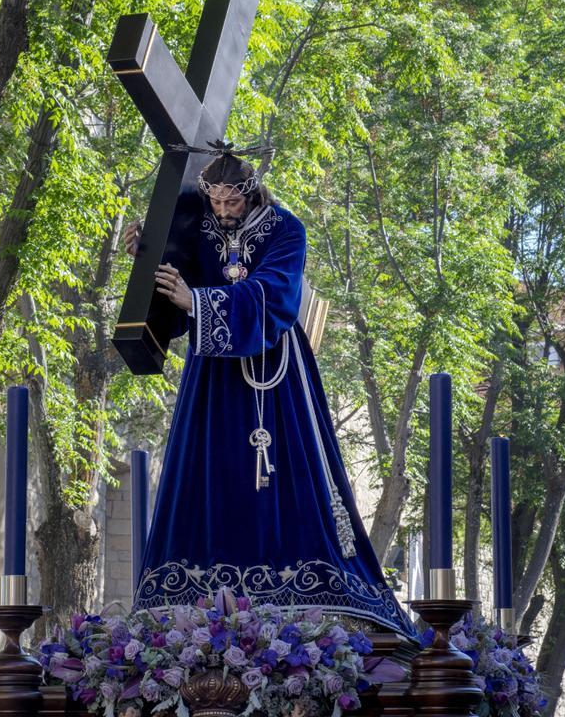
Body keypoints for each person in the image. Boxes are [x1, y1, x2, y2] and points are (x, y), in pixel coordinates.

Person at [123, 144, 414, 636]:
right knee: (206, 469)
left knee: (290, 474)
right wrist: (146, 254)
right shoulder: (199, 228)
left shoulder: (286, 229)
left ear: (253, 193)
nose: (222, 210)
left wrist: (199, 301)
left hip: (274, 373)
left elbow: (275, 294)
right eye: (215, 201)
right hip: (212, 377)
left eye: (232, 202)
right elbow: (173, 294)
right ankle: (195, 593)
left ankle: (302, 591)